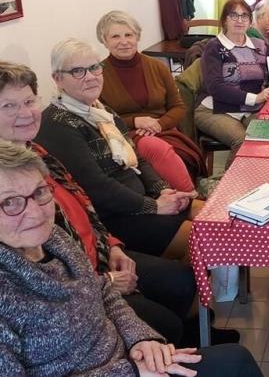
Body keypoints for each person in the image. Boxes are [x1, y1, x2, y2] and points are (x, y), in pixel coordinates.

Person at [0, 140, 263, 376]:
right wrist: (131, 371)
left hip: (125, 359)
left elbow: (102, 292)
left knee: (234, 358)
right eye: (10, 203)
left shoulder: (54, 238)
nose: (36, 212)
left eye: (39, 192)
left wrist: (140, 338)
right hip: (123, 370)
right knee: (233, 363)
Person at [36, 39, 199, 260]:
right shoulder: (57, 123)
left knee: (215, 217)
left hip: (142, 201)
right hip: (116, 218)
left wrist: (161, 190)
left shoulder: (102, 111)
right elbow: (96, 187)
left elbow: (138, 160)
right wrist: (153, 206)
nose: (91, 76)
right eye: (78, 71)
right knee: (210, 239)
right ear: (58, 79)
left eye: (94, 67)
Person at [96, 10, 206, 191]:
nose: (124, 41)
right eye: (115, 36)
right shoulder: (98, 74)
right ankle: (191, 198)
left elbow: (178, 107)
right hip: (124, 136)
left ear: (137, 37)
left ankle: (182, 203)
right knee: (154, 149)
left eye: (129, 35)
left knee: (181, 156)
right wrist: (134, 121)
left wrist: (159, 124)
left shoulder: (156, 66)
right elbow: (99, 118)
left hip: (163, 130)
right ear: (104, 41)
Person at [195, 0, 269, 159]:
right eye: (234, 15)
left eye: (244, 16)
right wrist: (255, 98)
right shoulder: (214, 47)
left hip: (249, 110)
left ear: (249, 20)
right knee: (242, 141)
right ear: (224, 20)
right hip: (215, 109)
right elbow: (216, 87)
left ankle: (260, 177)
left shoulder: (259, 45)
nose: (239, 20)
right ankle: (226, 184)